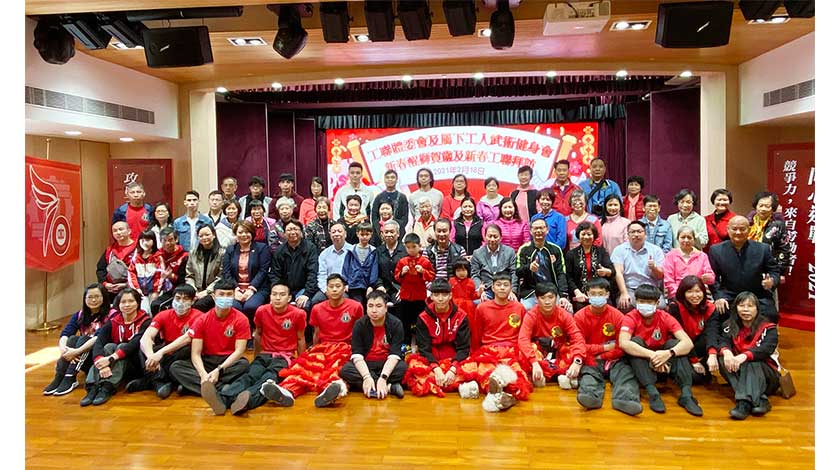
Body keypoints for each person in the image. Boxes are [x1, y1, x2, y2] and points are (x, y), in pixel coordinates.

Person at [260, 274, 362, 408]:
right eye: (331, 286)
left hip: (345, 347)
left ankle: (330, 391)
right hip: (323, 346)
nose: (334, 289)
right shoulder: (317, 308)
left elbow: (359, 332)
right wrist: (314, 350)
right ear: (326, 289)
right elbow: (316, 333)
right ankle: (286, 391)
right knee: (304, 367)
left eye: (338, 286)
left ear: (344, 288)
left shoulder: (356, 306)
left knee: (334, 366)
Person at [217, 282, 307, 415]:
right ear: (270, 296)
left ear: (289, 298)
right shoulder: (262, 311)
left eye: (282, 295)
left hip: (284, 357)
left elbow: (300, 338)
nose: (277, 298)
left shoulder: (298, 314)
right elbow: (258, 334)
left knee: (268, 378)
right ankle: (223, 399)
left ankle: (247, 400)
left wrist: (302, 363)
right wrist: (256, 356)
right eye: (274, 294)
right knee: (250, 375)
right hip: (264, 354)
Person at [618, 284, 703, 416]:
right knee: (634, 342)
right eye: (641, 301)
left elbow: (688, 343)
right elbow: (623, 343)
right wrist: (654, 356)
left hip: (665, 361)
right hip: (643, 361)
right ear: (636, 302)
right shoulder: (630, 317)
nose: (645, 305)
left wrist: (668, 353)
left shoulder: (665, 317)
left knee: (675, 344)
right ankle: (653, 393)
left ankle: (686, 395)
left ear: (657, 303)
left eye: (649, 302)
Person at [169, 279, 251, 415]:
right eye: (221, 294)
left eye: (229, 295)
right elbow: (195, 353)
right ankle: (222, 390)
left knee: (244, 365)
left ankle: (200, 389)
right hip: (207, 360)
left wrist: (219, 370)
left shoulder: (241, 319)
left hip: (227, 362)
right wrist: (202, 374)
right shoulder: (202, 319)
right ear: (213, 296)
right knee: (176, 367)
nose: (225, 298)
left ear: (234, 296)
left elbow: (239, 351)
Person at [459, 274, 532, 412]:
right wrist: (474, 355)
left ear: (511, 288)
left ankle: (508, 398)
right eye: (498, 285)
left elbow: (523, 335)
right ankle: (497, 395)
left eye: (506, 285)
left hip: (512, 350)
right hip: (488, 350)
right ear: (492, 288)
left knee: (518, 378)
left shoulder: (519, 307)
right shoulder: (482, 308)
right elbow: (476, 334)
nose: (502, 288)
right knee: (485, 374)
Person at [573, 278, 642, 415]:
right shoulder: (579, 317)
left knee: (626, 373)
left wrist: (604, 355)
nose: (597, 297)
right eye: (593, 294)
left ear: (607, 295)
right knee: (588, 374)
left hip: (615, 358)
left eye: (600, 294)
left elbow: (621, 345)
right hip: (592, 358)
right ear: (587, 294)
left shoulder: (618, 315)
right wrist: (603, 348)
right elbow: (579, 345)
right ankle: (590, 395)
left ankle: (625, 399)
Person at [712, 291, 780, 420]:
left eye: (750, 306)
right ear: (736, 308)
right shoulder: (729, 325)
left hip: (767, 375)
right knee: (722, 359)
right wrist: (727, 352)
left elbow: (765, 350)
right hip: (742, 371)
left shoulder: (768, 328)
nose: (745, 310)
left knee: (752, 361)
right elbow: (722, 341)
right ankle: (760, 400)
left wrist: (744, 356)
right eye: (742, 306)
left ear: (757, 309)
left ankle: (743, 403)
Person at [127, 284, 203, 399]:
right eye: (178, 298)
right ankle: (158, 381)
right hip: (167, 351)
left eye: (185, 299)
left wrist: (160, 353)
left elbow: (186, 339)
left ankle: (153, 381)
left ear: (193, 301)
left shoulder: (200, 317)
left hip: (185, 353)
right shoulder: (163, 315)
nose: (181, 302)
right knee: (143, 346)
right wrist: (151, 356)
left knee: (185, 349)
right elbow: (146, 337)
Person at [79, 288, 152, 407]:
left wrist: (110, 359)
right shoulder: (113, 321)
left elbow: (134, 344)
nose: (127, 305)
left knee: (122, 346)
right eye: (123, 302)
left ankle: (107, 387)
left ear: (138, 303)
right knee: (109, 346)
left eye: (131, 301)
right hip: (114, 363)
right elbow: (99, 342)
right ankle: (93, 387)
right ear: (118, 304)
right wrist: (101, 363)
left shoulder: (146, 321)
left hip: (135, 363)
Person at [403, 279, 471, 397]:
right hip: (430, 358)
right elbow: (424, 349)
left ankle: (438, 383)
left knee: (472, 368)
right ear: (431, 296)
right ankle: (452, 384)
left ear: (450, 296)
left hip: (454, 358)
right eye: (436, 295)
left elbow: (464, 348)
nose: (440, 299)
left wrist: (453, 369)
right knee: (413, 367)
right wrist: (436, 368)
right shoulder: (423, 317)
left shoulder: (461, 316)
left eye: (444, 295)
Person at [708, 215, 781, 322]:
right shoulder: (716, 250)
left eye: (742, 229)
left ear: (749, 230)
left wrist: (772, 281)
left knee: (770, 314)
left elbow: (774, 270)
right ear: (728, 229)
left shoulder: (763, 249)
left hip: (757, 295)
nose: (738, 232)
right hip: (729, 295)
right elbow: (713, 278)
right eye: (734, 229)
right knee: (718, 314)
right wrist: (719, 296)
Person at [339, 290, 408, 400]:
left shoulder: (396, 324)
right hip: (366, 363)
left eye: (378, 306)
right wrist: (367, 377)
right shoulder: (359, 324)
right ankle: (389, 387)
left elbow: (394, 355)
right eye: (370, 306)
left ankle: (372, 387)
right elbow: (357, 355)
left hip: (386, 362)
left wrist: (383, 377)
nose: (374, 310)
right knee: (346, 370)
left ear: (386, 308)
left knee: (403, 368)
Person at [43, 284, 108, 397]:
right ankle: (59, 376)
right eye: (90, 297)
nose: (93, 300)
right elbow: (65, 333)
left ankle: (70, 376)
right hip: (81, 356)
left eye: (97, 296)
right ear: (84, 299)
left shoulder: (111, 314)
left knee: (85, 338)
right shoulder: (80, 314)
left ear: (104, 297)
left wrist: (76, 352)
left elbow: (98, 337)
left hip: (98, 357)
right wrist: (64, 351)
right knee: (72, 339)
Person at [518, 283, 586, 389]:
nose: (547, 302)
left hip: (558, 351)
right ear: (537, 299)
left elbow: (577, 337)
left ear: (556, 298)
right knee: (524, 351)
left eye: (551, 297)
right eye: (543, 298)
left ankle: (557, 375)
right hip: (539, 353)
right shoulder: (531, 315)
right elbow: (523, 339)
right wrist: (534, 362)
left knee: (573, 350)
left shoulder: (564, 315)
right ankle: (558, 376)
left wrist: (578, 361)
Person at [667, 276, 719, 384]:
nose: (695, 295)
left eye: (698, 291)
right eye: (689, 292)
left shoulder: (710, 308)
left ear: (704, 292)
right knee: (693, 378)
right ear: (683, 293)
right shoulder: (675, 307)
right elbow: (679, 337)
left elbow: (711, 333)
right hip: (682, 347)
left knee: (716, 339)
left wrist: (712, 354)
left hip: (698, 345)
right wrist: (694, 361)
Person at [221, 220, 272, 327]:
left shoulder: (261, 248)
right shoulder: (231, 249)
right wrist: (235, 289)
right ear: (236, 234)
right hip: (235, 288)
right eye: (240, 232)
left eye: (247, 232)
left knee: (251, 306)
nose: (244, 235)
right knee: (234, 307)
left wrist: (251, 289)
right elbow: (226, 272)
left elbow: (263, 271)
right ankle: (236, 330)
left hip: (257, 287)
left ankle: (253, 329)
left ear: (252, 233)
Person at [515, 218, 572, 311]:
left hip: (552, 291)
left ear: (547, 230)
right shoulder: (524, 249)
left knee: (567, 309)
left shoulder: (555, 249)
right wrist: (529, 268)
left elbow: (561, 273)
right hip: (531, 292)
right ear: (531, 231)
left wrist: (563, 295)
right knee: (523, 309)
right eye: (536, 228)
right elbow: (518, 272)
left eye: (541, 228)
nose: (538, 231)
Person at [611, 221, 666, 312]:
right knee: (625, 304)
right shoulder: (619, 250)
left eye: (639, 231)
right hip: (629, 288)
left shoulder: (656, 250)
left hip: (650, 288)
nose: (636, 235)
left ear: (645, 234)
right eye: (632, 232)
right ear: (628, 235)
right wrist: (624, 293)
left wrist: (654, 268)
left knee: (661, 306)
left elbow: (660, 276)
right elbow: (618, 273)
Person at [270, 219, 319, 312]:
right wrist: (278, 292)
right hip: (284, 289)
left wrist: (306, 294)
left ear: (301, 232)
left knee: (303, 306)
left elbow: (312, 273)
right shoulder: (279, 251)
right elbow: (275, 274)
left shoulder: (310, 248)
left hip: (303, 288)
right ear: (284, 234)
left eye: (295, 229)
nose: (292, 232)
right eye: (289, 230)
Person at [394, 233, 436, 344]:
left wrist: (423, 272)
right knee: (405, 320)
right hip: (406, 295)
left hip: (419, 296)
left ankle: (421, 342)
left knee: (420, 319)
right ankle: (406, 342)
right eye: (408, 247)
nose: (411, 250)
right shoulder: (402, 261)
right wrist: (402, 273)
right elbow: (396, 277)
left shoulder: (425, 261)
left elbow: (432, 276)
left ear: (420, 246)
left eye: (414, 247)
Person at [565, 222, 615, 312]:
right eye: (583, 234)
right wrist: (577, 292)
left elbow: (612, 271)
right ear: (578, 236)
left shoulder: (601, 251)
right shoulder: (571, 254)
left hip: (600, 293)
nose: (586, 237)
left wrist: (606, 271)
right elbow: (568, 277)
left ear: (594, 236)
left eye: (589, 234)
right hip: (580, 295)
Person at [747, 191, 792, 281]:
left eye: (767, 206)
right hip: (748, 267)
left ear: (773, 208)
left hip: (769, 269)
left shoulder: (778, 225)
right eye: (761, 205)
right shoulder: (748, 223)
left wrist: (780, 272)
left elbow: (784, 249)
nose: (763, 209)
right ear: (756, 206)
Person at [663, 226, 715, 300]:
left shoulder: (702, 256)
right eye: (683, 237)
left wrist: (708, 277)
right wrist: (679, 294)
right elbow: (668, 280)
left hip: (697, 295)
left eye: (689, 237)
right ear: (677, 239)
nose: (686, 240)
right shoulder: (670, 255)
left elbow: (711, 278)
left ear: (694, 240)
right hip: (676, 295)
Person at [470, 223, 518, 303]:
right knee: (478, 303)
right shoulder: (477, 253)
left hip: (504, 288)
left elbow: (514, 272)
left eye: (495, 236)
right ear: (485, 237)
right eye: (490, 236)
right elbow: (475, 274)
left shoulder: (509, 252)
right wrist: (480, 289)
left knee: (513, 303)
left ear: (501, 238)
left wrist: (512, 290)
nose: (492, 239)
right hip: (487, 289)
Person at [185, 223, 226, 312]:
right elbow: (189, 276)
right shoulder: (193, 253)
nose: (204, 238)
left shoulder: (222, 253)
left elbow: (221, 277)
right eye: (201, 236)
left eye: (207, 235)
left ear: (214, 235)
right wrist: (193, 291)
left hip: (214, 291)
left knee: (199, 305)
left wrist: (207, 291)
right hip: (196, 291)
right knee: (183, 303)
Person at [96, 221, 136, 307]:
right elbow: (100, 269)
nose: (118, 232)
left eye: (121, 229)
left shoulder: (138, 248)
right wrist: (106, 284)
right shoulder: (109, 250)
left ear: (129, 231)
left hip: (132, 288)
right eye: (115, 231)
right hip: (111, 289)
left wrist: (126, 284)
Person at [151, 227, 189, 315]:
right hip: (156, 288)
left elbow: (184, 280)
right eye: (164, 240)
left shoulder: (184, 256)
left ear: (176, 239)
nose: (167, 243)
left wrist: (172, 277)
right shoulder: (157, 255)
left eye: (170, 240)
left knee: (157, 305)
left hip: (175, 289)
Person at [313, 223, 354, 306]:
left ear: (345, 234)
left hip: (346, 288)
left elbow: (357, 273)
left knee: (346, 301)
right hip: (329, 287)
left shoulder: (353, 251)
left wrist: (349, 286)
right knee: (316, 301)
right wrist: (326, 290)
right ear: (330, 235)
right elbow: (321, 275)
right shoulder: (324, 254)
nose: (336, 234)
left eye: (339, 231)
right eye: (333, 232)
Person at [341, 222, 379, 305]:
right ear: (357, 234)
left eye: (367, 234)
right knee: (357, 304)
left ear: (371, 234)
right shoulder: (351, 250)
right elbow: (345, 267)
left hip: (367, 286)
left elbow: (374, 269)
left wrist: (371, 286)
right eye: (362, 234)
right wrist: (345, 283)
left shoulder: (373, 251)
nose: (364, 237)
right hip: (353, 285)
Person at [126, 230, 162, 313]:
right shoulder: (136, 257)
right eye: (142, 240)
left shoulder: (158, 257)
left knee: (154, 310)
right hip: (140, 291)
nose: (145, 243)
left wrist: (156, 291)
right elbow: (131, 273)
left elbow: (160, 275)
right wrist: (137, 289)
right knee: (143, 311)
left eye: (148, 240)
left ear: (154, 241)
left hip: (154, 291)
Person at [373, 220, 407, 306]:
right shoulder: (378, 251)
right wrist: (379, 285)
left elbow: (410, 274)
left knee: (401, 303)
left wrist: (404, 288)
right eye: (386, 232)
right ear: (382, 234)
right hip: (383, 288)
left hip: (400, 288)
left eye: (392, 232)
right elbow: (375, 272)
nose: (388, 235)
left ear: (398, 234)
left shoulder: (405, 251)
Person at [371, 169, 410, 238]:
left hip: (398, 233)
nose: (390, 179)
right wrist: (380, 230)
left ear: (396, 180)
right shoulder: (379, 197)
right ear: (384, 180)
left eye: (392, 177)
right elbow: (374, 216)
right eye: (387, 177)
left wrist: (395, 229)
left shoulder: (402, 197)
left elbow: (405, 217)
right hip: (380, 234)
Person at [449, 258, 479, 324]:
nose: (461, 273)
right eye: (458, 270)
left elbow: (473, 296)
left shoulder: (470, 282)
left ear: (468, 270)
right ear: (454, 271)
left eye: (463, 270)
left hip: (468, 307)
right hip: (454, 306)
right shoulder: (451, 281)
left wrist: (479, 293)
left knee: (469, 323)